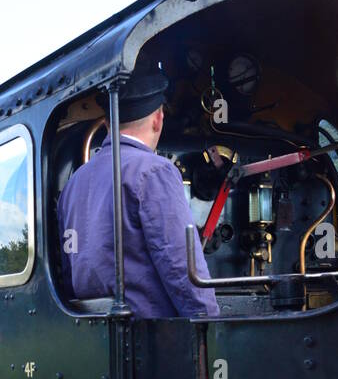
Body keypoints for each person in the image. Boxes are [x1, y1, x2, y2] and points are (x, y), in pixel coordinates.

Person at [58, 71, 220, 318]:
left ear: (107, 124)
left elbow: (71, 271)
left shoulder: (74, 183)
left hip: (95, 333)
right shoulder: (155, 172)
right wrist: (210, 329)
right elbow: (182, 269)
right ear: (158, 119)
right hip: (152, 338)